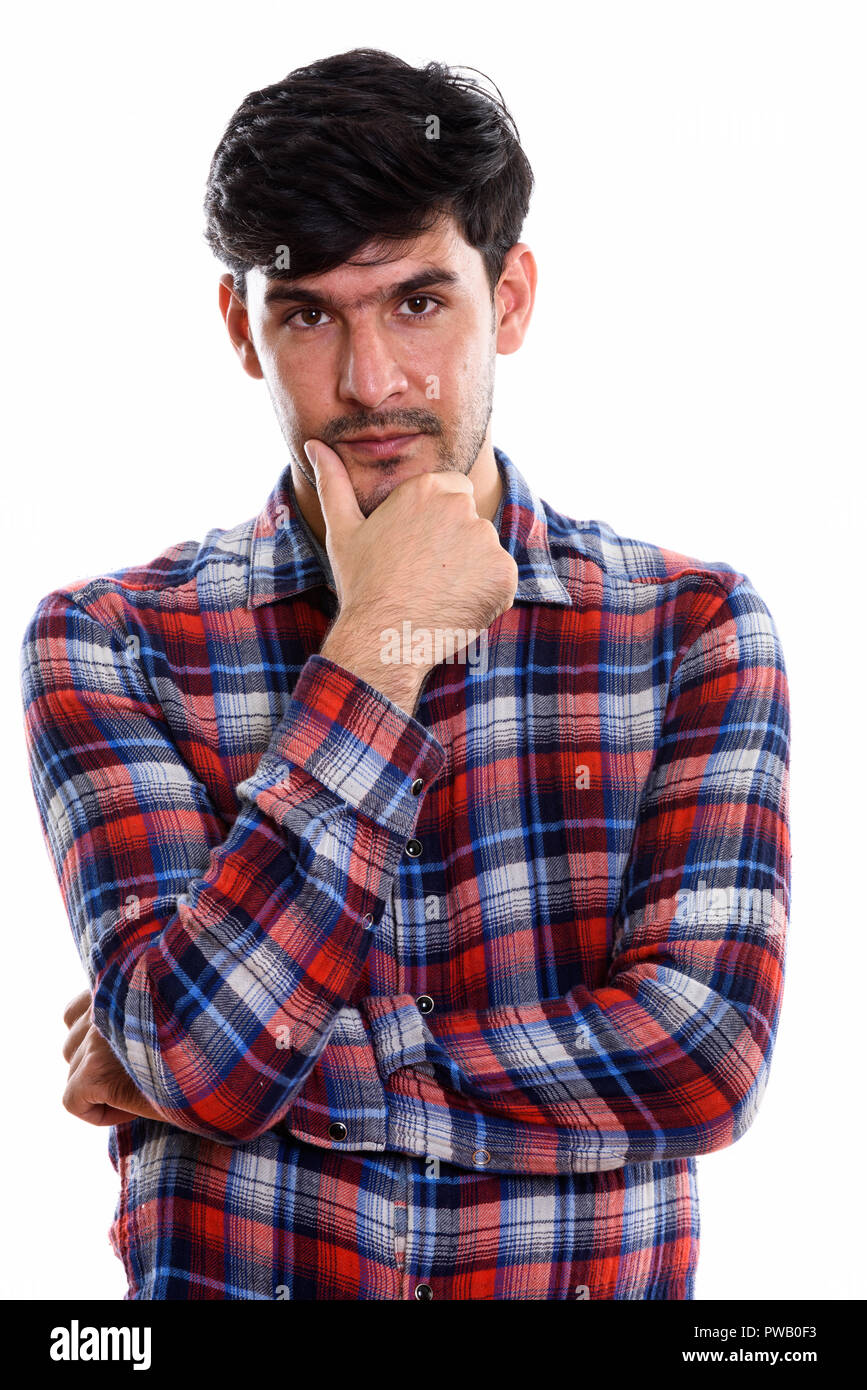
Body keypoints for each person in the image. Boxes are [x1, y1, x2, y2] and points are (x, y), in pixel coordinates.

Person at [20, 47, 790, 1301]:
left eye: (420, 303)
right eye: (310, 314)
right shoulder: (114, 641)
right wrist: (379, 647)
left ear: (514, 297)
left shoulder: (690, 630)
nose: (370, 381)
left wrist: (234, 1063)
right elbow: (196, 1055)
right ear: (241, 328)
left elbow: (703, 1057)